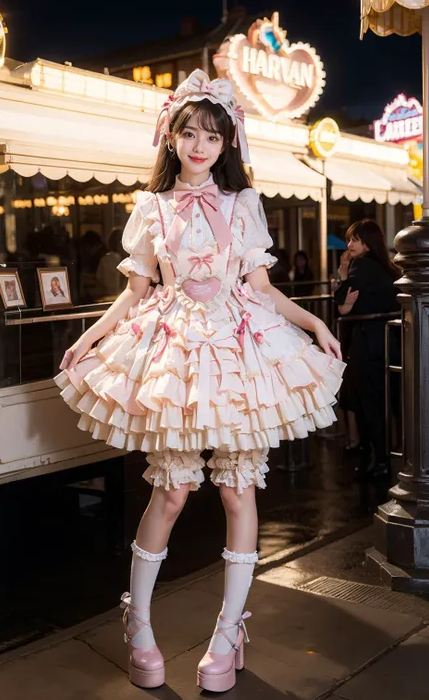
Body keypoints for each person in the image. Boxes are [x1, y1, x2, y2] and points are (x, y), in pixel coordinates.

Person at [55, 70, 344, 692]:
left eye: (211, 136)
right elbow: (134, 295)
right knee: (173, 491)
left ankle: (229, 631)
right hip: (175, 352)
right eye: (188, 132)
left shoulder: (244, 205)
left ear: (226, 144)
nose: (199, 145)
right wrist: (86, 339)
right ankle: (138, 629)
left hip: (238, 347)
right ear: (171, 137)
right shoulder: (150, 206)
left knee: (239, 492)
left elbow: (262, 289)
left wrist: (314, 322)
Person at [334, 219, 400, 479]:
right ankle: (383, 457)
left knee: (367, 404)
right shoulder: (389, 268)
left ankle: (377, 459)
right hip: (390, 344)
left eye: (355, 240)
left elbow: (341, 304)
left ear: (368, 243)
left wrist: (341, 277)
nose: (349, 245)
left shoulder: (361, 265)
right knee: (386, 402)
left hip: (367, 345)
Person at [96, 228, 127, 298]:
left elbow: (99, 277)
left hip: (113, 296)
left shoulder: (110, 258)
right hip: (114, 296)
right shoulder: (113, 258)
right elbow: (114, 284)